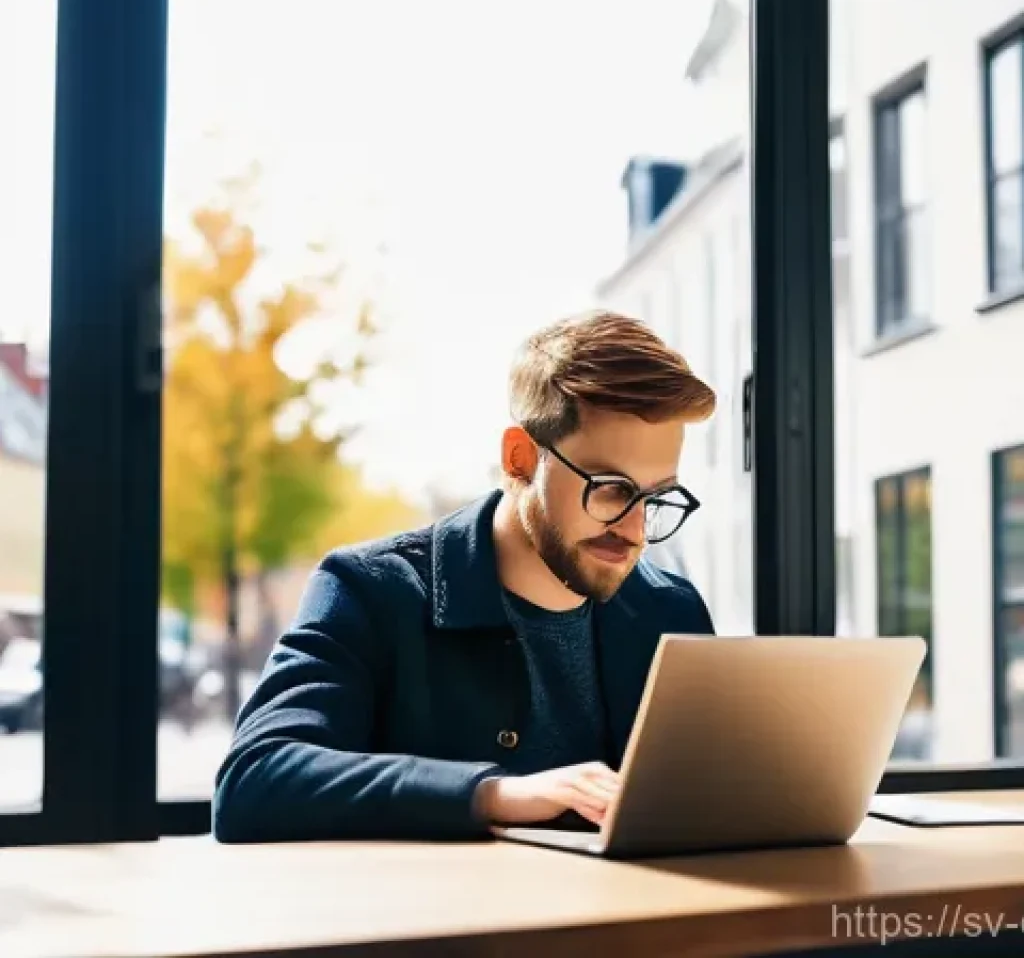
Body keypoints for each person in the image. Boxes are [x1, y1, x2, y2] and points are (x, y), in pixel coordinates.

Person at [212, 309, 716, 843]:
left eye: (656, 496)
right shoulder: (371, 591)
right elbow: (254, 781)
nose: (635, 527)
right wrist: (496, 793)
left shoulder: (672, 611)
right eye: (612, 487)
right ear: (521, 459)